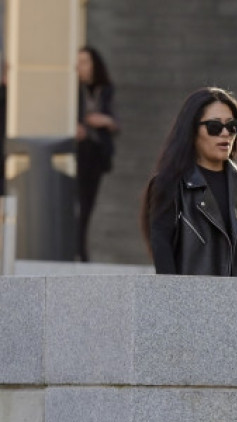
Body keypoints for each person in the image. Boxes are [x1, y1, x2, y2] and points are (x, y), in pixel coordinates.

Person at [140, 87, 237, 277]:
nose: (225, 134)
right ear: (192, 131)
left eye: (232, 126)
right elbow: (162, 251)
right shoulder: (171, 185)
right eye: (214, 127)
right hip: (193, 301)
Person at [76, 46, 118, 262]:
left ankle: (81, 249)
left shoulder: (105, 89)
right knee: (78, 202)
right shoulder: (73, 89)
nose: (80, 66)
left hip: (97, 153)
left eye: (85, 61)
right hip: (79, 151)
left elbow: (114, 122)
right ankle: (78, 249)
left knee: (88, 203)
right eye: (78, 62)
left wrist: (104, 121)